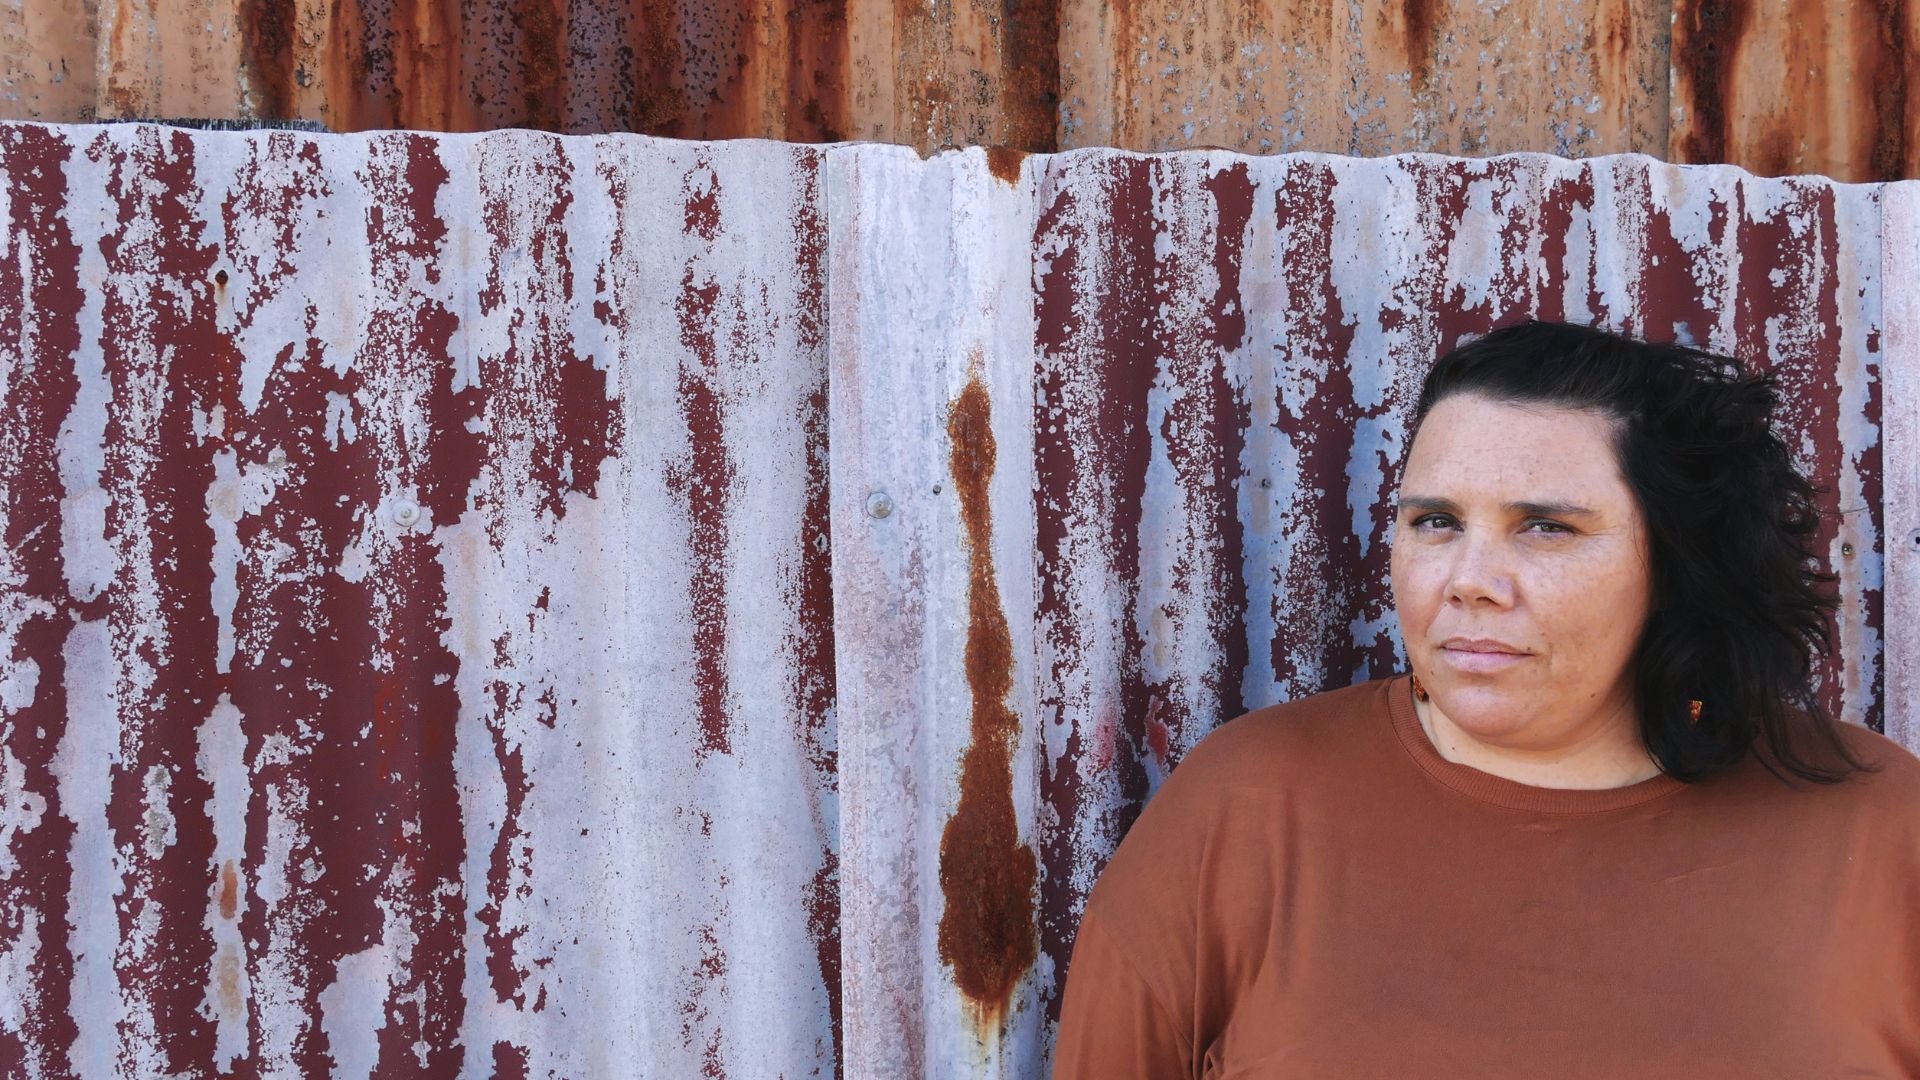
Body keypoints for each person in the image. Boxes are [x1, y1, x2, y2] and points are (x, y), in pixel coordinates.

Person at [1049, 320, 1920, 1078]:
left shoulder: (1877, 828)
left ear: (1681, 560)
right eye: (1436, 522)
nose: (1470, 582)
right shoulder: (1247, 809)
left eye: (1546, 527)